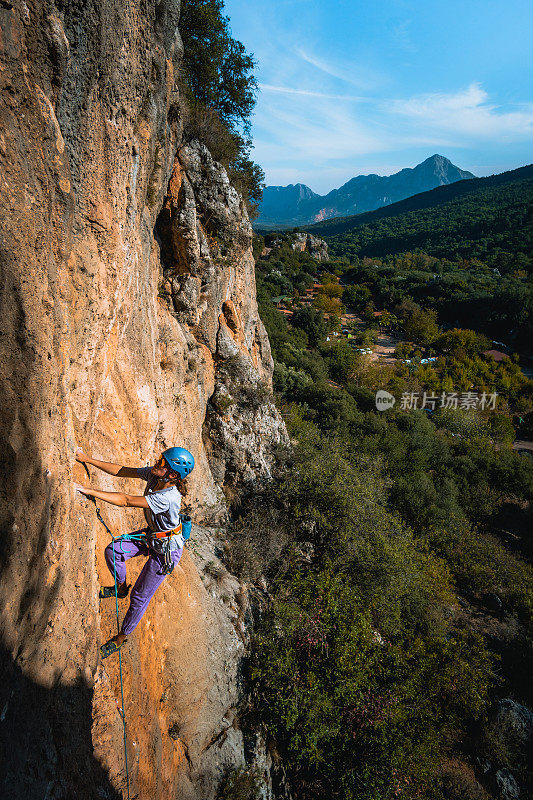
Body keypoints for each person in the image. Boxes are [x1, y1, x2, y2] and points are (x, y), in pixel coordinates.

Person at [74, 446, 194, 659]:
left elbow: (126, 501)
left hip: (167, 551)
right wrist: (86, 459)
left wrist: (89, 491)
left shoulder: (168, 496)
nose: (157, 463)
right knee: (113, 551)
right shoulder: (155, 476)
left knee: (139, 596)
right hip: (153, 535)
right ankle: (120, 588)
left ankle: (121, 637)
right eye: (160, 459)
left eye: (162, 463)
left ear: (173, 475)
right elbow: (122, 470)